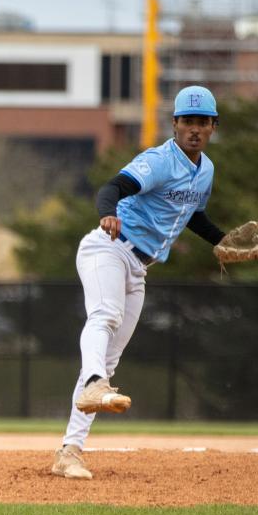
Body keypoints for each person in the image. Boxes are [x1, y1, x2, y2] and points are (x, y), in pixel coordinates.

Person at [51, 85, 231, 481]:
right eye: (188, 121)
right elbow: (112, 187)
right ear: (175, 124)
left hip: (140, 267)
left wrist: (221, 239)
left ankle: (70, 452)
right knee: (105, 316)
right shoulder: (159, 160)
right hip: (109, 247)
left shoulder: (207, 171)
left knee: (108, 359)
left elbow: (192, 215)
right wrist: (108, 214)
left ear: (214, 126)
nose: (195, 129)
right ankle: (95, 383)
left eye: (203, 122)